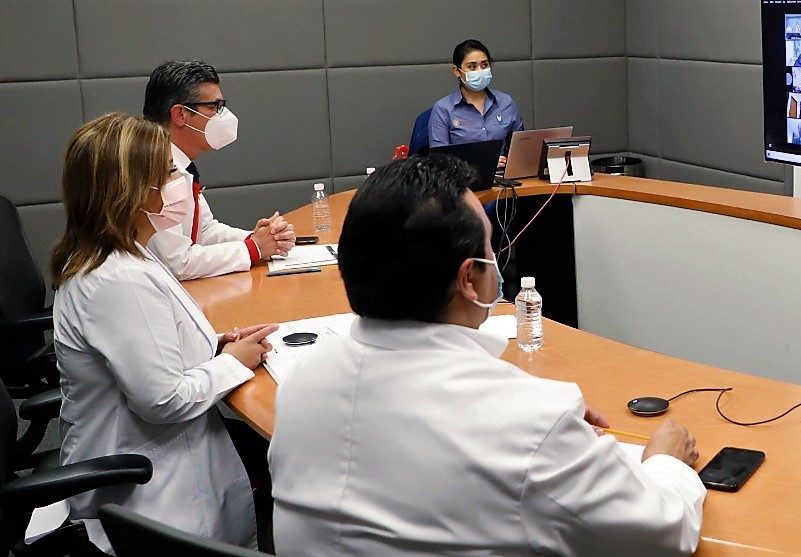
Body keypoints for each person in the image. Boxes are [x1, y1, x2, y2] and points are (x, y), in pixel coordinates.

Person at [269, 155, 705, 556]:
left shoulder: (299, 383)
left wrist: (550, 433)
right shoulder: (530, 421)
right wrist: (665, 462)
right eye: (490, 247)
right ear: (468, 279)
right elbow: (662, 535)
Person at [52, 112, 276, 554]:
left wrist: (218, 346)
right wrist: (232, 364)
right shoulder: (116, 280)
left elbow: (150, 344)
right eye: (169, 172)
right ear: (133, 190)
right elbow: (162, 399)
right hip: (149, 483)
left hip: (161, 455)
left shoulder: (126, 252)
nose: (179, 181)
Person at [142, 60, 296, 280]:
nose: (223, 115)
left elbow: (204, 232)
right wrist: (254, 249)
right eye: (214, 107)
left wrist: (258, 239)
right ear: (180, 115)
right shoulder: (154, 169)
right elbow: (177, 262)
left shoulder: (181, 163)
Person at [427, 39, 526, 166]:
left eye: (484, 65)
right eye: (472, 67)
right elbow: (439, 161)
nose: (480, 71)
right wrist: (482, 162)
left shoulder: (506, 103)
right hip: (462, 180)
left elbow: (521, 149)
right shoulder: (443, 109)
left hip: (504, 178)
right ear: (457, 71)